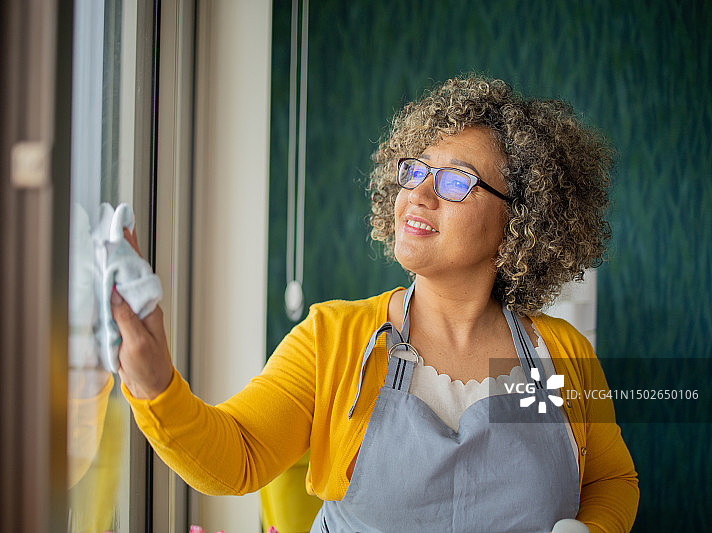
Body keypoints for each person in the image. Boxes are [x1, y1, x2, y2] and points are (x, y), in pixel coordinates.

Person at [110, 75, 639, 532]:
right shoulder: (333, 339)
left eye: (456, 181)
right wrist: (156, 384)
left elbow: (611, 480)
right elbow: (238, 457)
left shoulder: (559, 355)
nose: (420, 193)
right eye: (416, 171)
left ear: (520, 222)